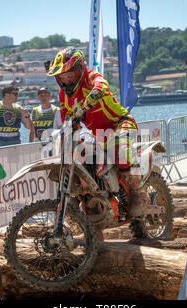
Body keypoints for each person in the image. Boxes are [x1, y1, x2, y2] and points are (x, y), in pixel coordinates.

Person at [46, 47, 147, 220]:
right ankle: (77, 197)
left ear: (79, 70)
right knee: (79, 156)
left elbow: (101, 87)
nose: (66, 80)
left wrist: (86, 106)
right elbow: (66, 118)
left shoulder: (92, 77)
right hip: (98, 134)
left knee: (119, 151)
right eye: (62, 77)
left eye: (69, 75)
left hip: (120, 123)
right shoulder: (63, 94)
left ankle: (139, 193)